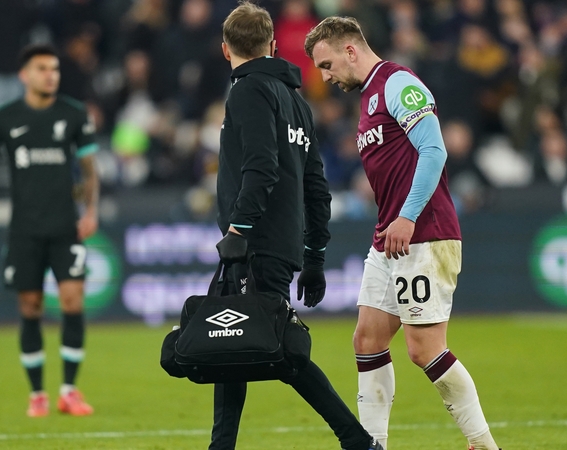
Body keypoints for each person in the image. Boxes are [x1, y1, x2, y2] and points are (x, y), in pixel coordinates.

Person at [304, 17, 501, 450]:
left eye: (327, 64)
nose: (325, 76)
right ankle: (373, 444)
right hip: (389, 237)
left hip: (423, 233)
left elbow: (434, 149)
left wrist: (408, 216)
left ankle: (485, 445)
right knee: (368, 338)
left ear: (351, 50)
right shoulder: (368, 96)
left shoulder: (398, 83)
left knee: (424, 348)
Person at [212, 4, 380, 450]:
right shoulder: (298, 103)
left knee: (256, 347)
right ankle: (356, 442)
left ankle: (357, 442)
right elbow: (316, 188)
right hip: (281, 244)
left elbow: (261, 168)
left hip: (254, 243)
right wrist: (315, 257)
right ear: (272, 45)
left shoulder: (247, 91)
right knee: (254, 346)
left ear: (224, 48)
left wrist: (237, 232)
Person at [0, 44, 100, 418]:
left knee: (73, 300)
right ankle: (37, 394)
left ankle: (69, 391)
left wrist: (91, 210)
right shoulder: (4, 118)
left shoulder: (73, 115)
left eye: (55, 69)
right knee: (31, 307)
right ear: (25, 75)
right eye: (42, 69)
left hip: (65, 227)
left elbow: (90, 169)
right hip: (25, 230)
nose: (51, 75)